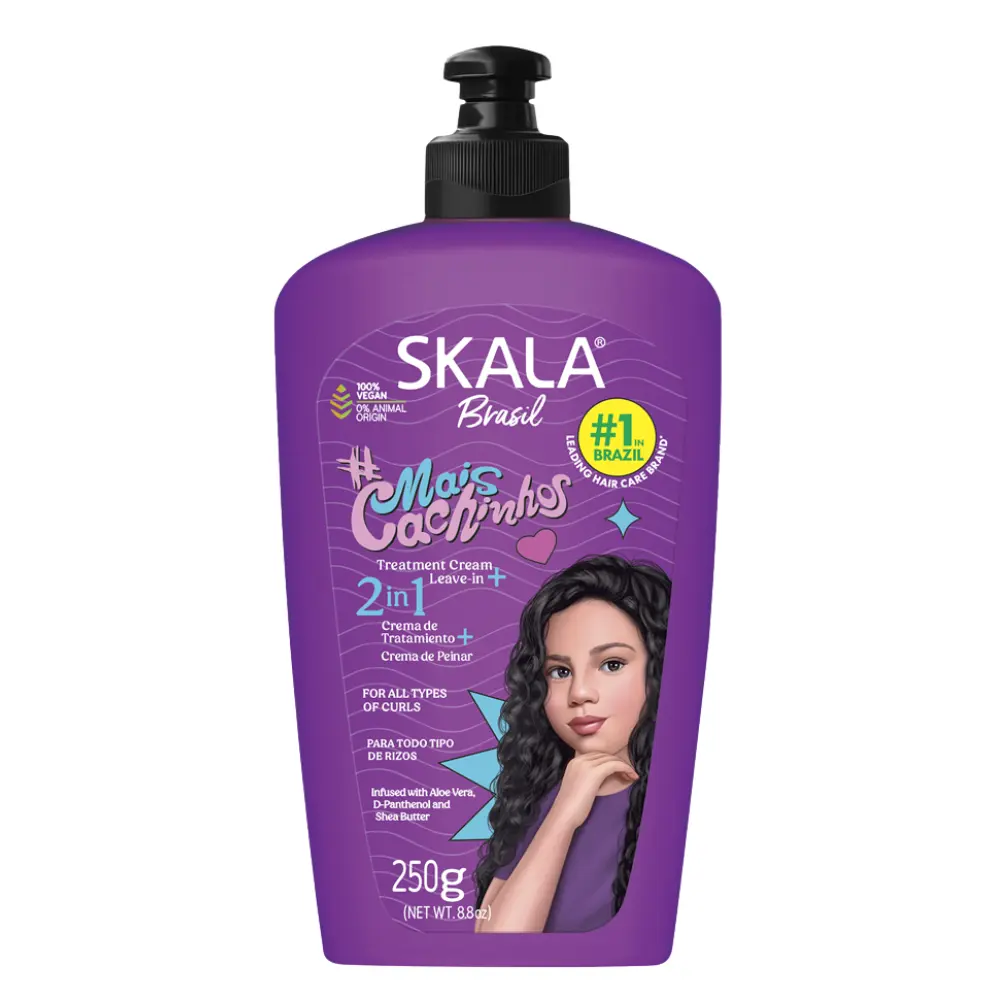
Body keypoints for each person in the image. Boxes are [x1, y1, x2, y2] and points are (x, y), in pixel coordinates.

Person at [474, 554, 671, 933]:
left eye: (612, 664)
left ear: (660, 668)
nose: (579, 693)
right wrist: (564, 814)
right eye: (560, 671)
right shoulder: (543, 800)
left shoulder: (675, 802)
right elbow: (496, 942)